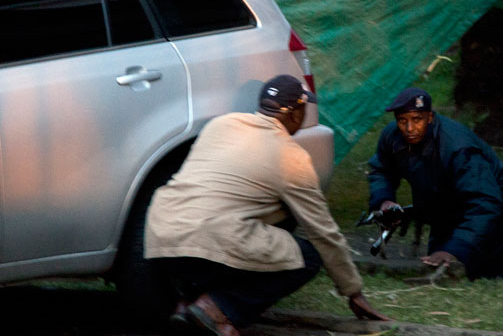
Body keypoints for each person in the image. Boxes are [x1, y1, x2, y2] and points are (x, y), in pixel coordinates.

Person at [144, 75, 388, 336]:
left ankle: (185, 304)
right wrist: (353, 290)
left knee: (251, 224)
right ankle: (217, 310)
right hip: (210, 239)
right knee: (308, 256)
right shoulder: (290, 156)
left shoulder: (221, 124)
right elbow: (323, 232)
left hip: (160, 234)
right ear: (296, 114)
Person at [367, 87, 503, 283]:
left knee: (497, 269)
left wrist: (454, 250)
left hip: (490, 199)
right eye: (402, 120)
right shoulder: (392, 136)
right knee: (438, 261)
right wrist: (384, 200)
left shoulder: (457, 147)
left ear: (430, 117)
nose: (409, 129)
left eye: (417, 120)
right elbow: (381, 169)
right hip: (443, 202)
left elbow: (485, 201)